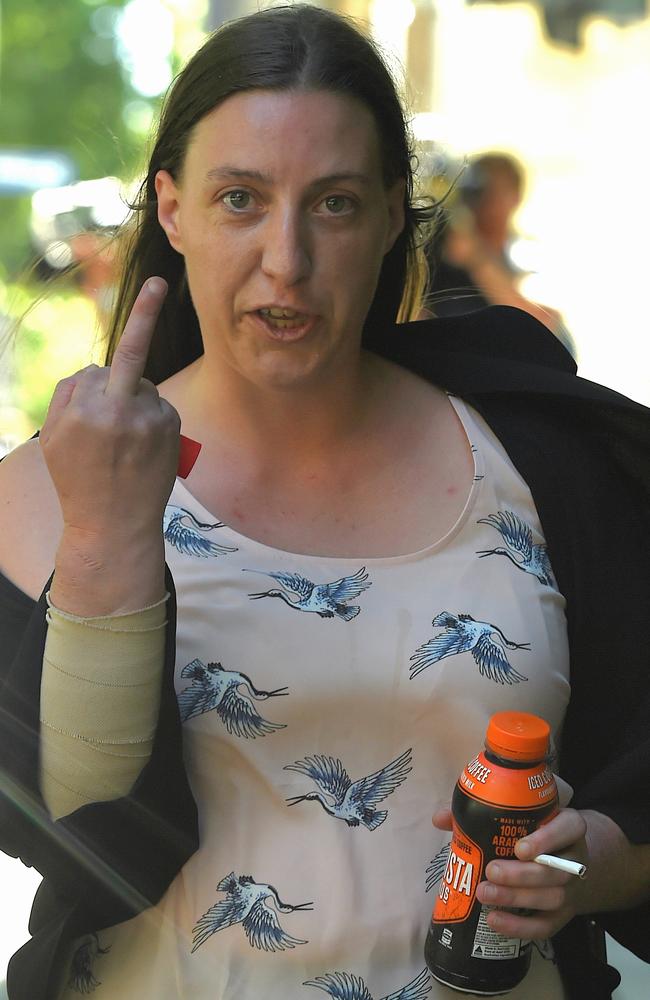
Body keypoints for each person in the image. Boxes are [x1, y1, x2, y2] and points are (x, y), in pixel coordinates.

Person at [0, 5, 648, 999]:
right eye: (240, 199)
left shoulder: (540, 462)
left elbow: (622, 824)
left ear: (394, 213)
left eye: (334, 203)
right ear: (169, 209)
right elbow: (92, 838)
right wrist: (103, 537)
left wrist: (579, 865)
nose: (287, 259)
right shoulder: (44, 489)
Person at [426, 152, 577, 357]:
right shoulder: (442, 250)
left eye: (495, 191)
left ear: (516, 196)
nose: (486, 201)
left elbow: (545, 322)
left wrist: (477, 260)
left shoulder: (525, 252)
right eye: (479, 190)